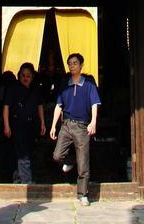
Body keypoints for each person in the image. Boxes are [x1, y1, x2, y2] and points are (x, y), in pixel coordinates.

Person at [50, 53, 101, 207]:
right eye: (70, 64)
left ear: (81, 65)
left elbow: (94, 104)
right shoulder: (65, 84)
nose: (72, 66)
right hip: (66, 124)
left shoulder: (89, 85)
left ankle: (83, 194)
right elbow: (59, 106)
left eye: (74, 63)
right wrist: (53, 125)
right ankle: (69, 159)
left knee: (83, 162)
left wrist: (93, 122)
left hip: (82, 126)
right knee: (57, 155)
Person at [3, 62, 46, 184]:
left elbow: (40, 106)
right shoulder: (13, 89)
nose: (25, 78)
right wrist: (6, 125)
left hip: (32, 125)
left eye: (28, 75)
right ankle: (27, 182)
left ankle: (17, 180)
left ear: (32, 77)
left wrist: (42, 122)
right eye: (23, 75)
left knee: (25, 152)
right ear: (18, 75)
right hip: (16, 125)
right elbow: (6, 107)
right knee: (23, 154)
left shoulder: (36, 89)